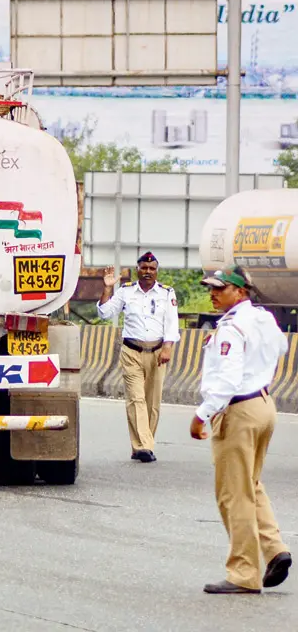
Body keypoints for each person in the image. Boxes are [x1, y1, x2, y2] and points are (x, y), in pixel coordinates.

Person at [192, 266, 291, 594]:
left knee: (233, 494)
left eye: (220, 289)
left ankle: (244, 573)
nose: (213, 293)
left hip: (238, 409)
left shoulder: (231, 328)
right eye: (211, 288)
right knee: (251, 484)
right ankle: (274, 549)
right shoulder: (263, 319)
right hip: (264, 405)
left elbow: (228, 380)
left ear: (241, 292)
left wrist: (202, 415)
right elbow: (282, 349)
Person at [96, 251, 180, 462]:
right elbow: (104, 313)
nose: (147, 272)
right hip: (131, 352)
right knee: (136, 398)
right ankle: (144, 446)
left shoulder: (166, 293)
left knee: (152, 403)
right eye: (144, 268)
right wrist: (107, 289)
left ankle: (141, 444)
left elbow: (172, 323)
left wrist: (168, 347)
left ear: (157, 271)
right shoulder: (126, 292)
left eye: (152, 269)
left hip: (158, 352)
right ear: (137, 270)